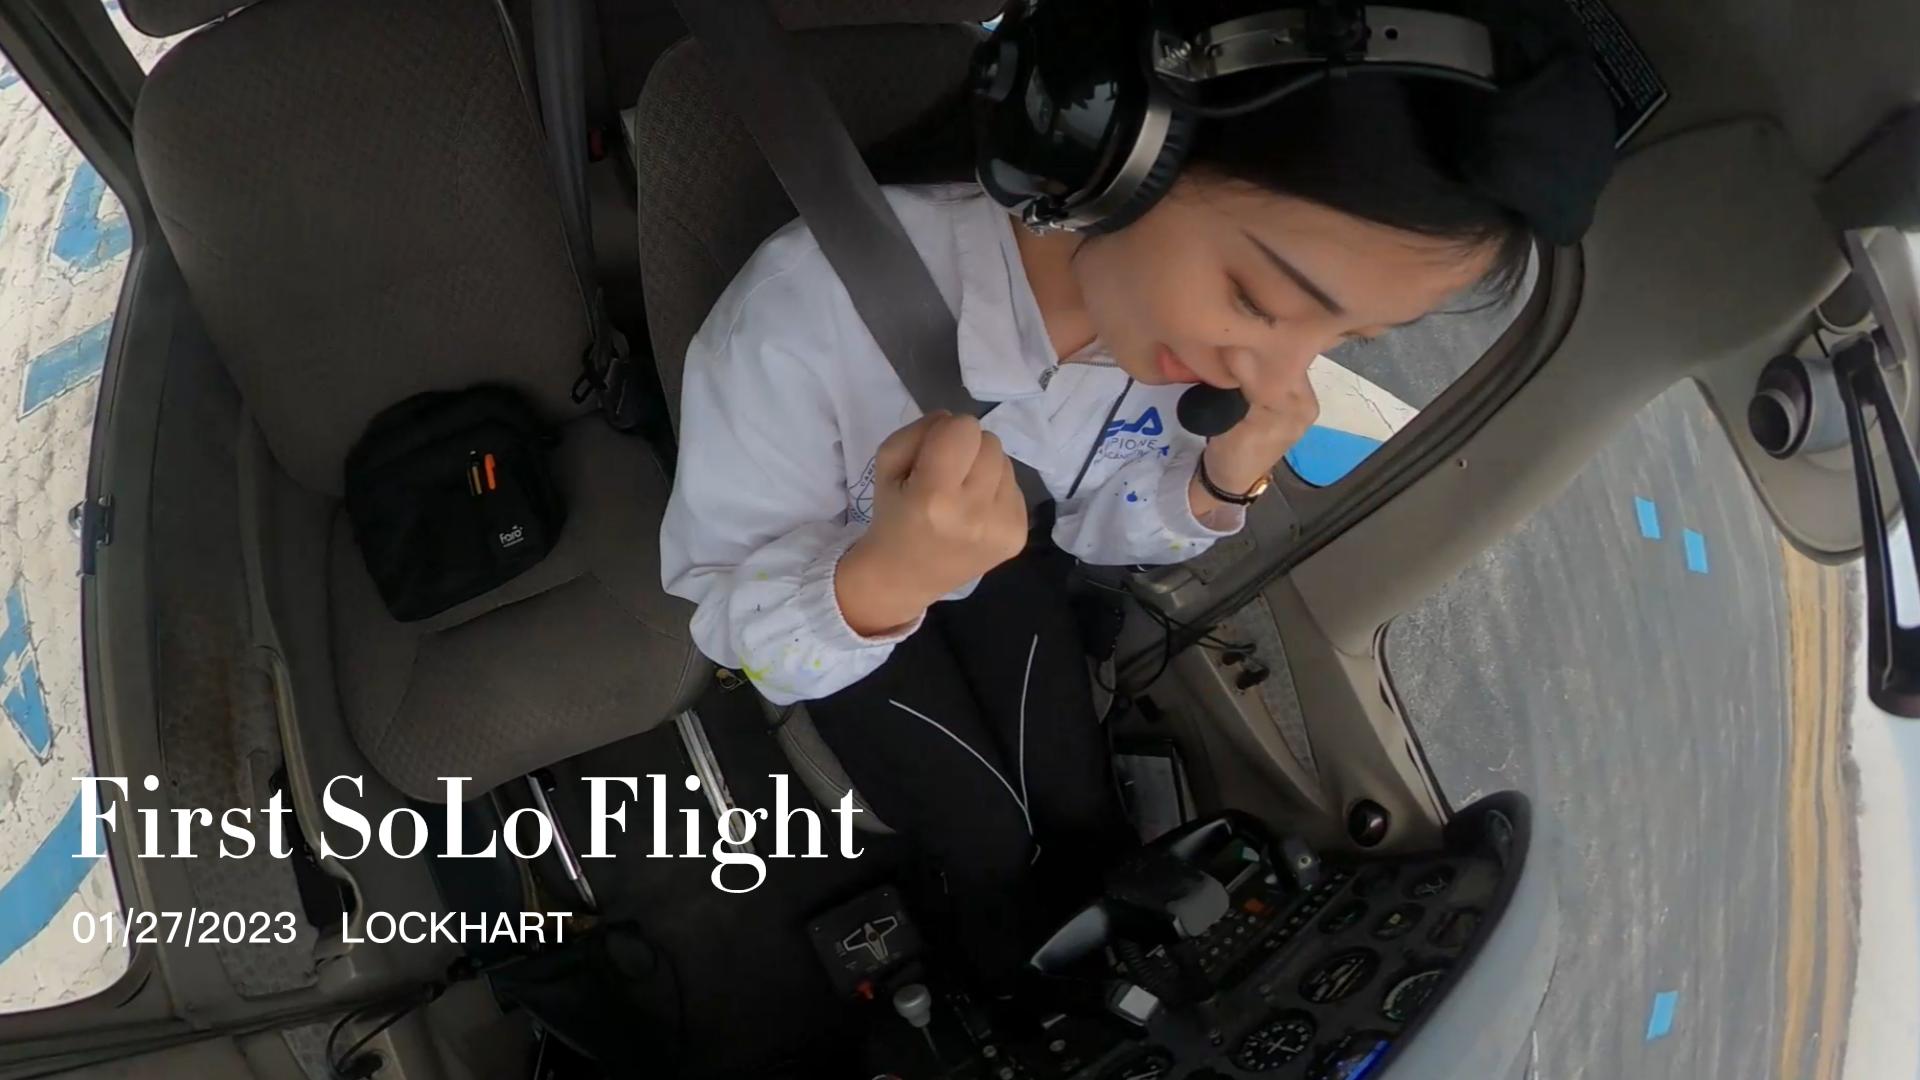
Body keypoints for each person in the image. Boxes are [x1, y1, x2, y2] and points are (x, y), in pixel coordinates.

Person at [659, 0, 1612, 982]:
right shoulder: (801, 318)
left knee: (1083, 808)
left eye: (1340, 338)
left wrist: (1219, 481)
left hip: (1000, 565)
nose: (1274, 372)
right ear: (1122, 153)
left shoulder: (1168, 352)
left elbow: (1094, 536)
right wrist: (886, 579)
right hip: (833, 589)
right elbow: (727, 622)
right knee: (988, 839)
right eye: (1257, 300)